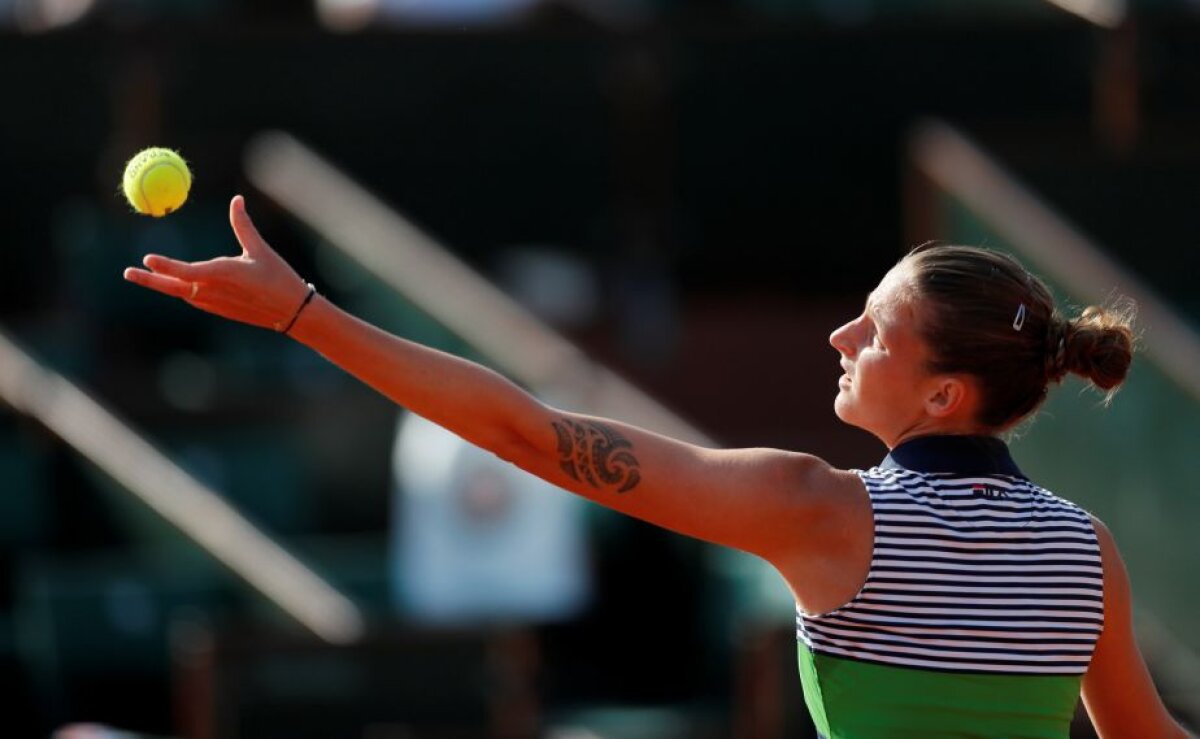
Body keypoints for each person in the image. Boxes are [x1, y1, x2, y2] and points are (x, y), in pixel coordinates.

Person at [124, 195, 1189, 738]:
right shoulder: (1083, 553)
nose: (838, 339)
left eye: (873, 332)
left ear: (944, 394)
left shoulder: (814, 510)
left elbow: (522, 435)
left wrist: (306, 315)